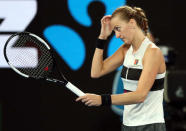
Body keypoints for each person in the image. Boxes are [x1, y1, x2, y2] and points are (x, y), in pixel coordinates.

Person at [76, 5, 166, 131]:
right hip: (128, 124)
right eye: (114, 31)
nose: (117, 36)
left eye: (118, 29)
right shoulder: (125, 50)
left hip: (150, 125)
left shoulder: (153, 52)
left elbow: (140, 95)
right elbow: (96, 72)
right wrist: (102, 37)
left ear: (132, 23)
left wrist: (102, 99)